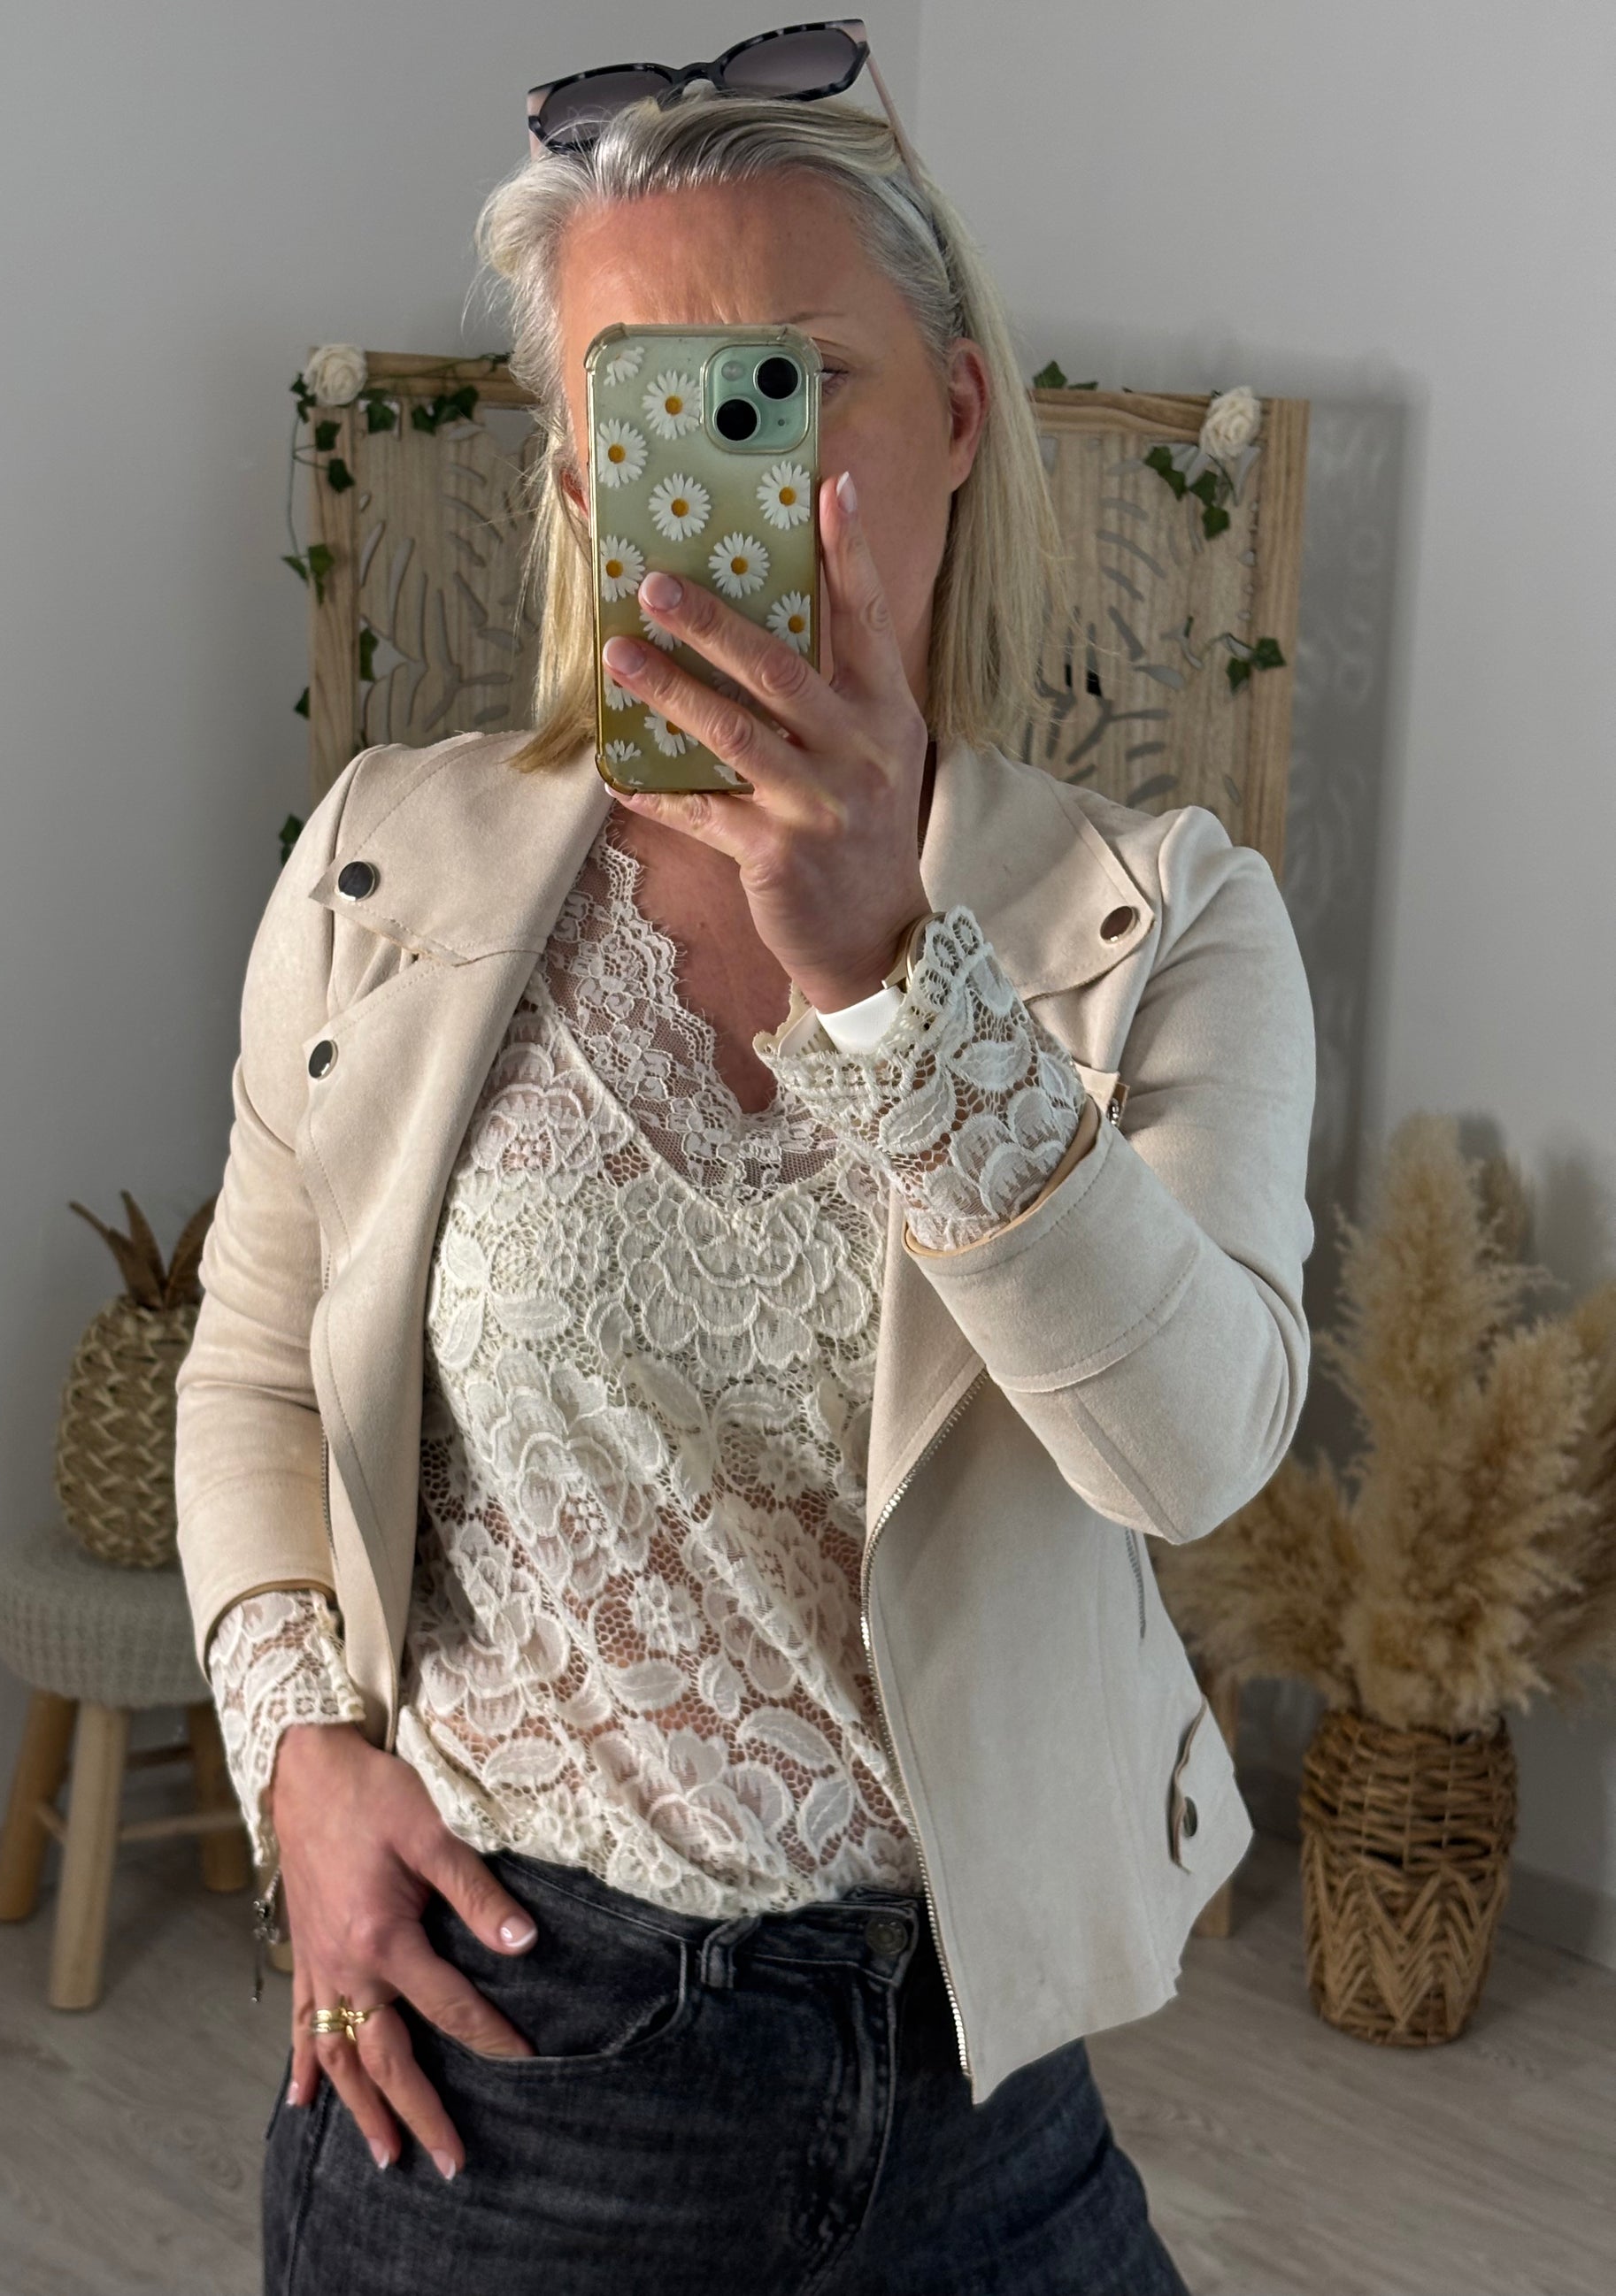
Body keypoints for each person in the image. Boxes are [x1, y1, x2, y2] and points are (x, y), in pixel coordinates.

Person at [175, 32, 1316, 2296]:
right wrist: (296, 1751)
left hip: (977, 2081)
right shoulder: (385, 861)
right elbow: (258, 1371)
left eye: (793, 383)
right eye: (653, 404)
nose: (735, 471)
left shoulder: (1159, 915)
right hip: (501, 2074)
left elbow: (1195, 1453)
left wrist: (894, 976)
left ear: (958, 413)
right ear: (579, 477)